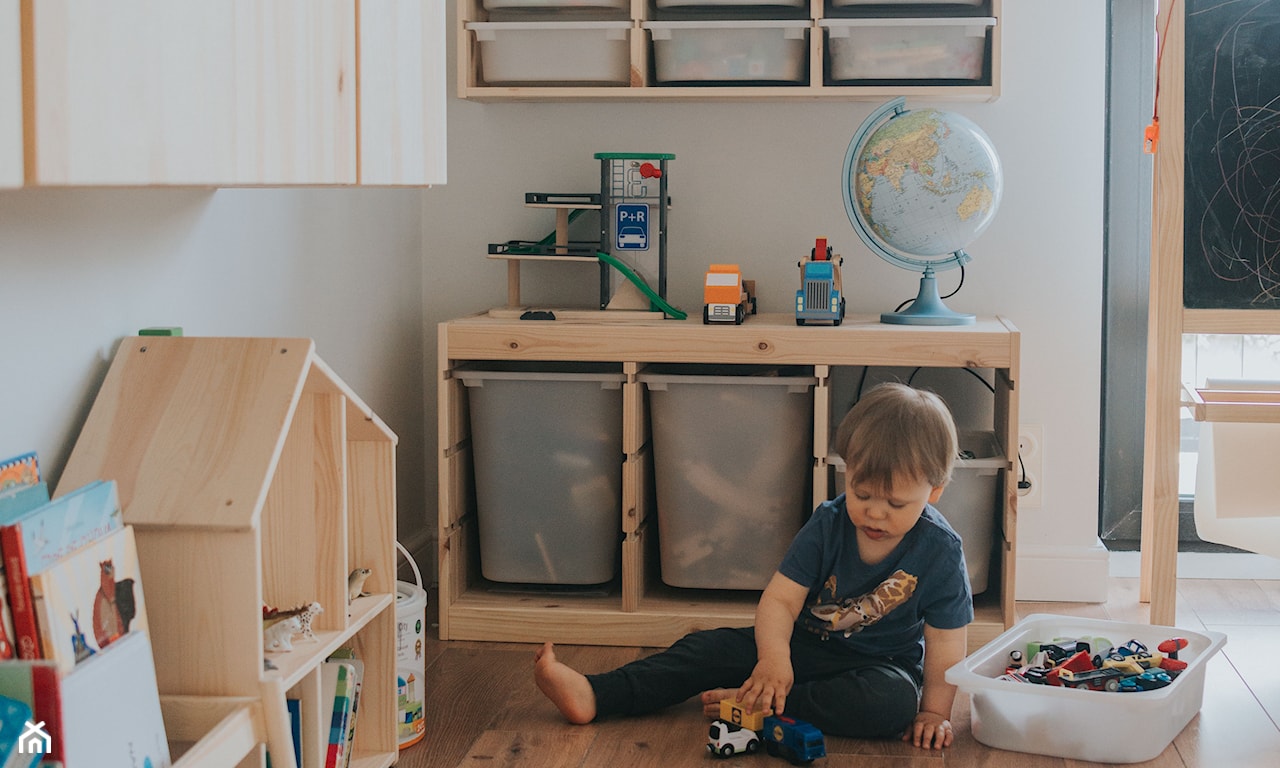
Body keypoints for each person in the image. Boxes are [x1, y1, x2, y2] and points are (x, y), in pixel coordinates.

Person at [534, 381, 973, 750]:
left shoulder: (940, 550)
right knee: (706, 649)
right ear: (847, 471)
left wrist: (934, 711)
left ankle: (762, 705)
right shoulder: (829, 523)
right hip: (800, 645)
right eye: (862, 494)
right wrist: (773, 660)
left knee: (891, 705)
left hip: (880, 665)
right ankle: (598, 693)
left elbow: (946, 643)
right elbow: (780, 602)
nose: (875, 513)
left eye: (895, 503)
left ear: (934, 491)